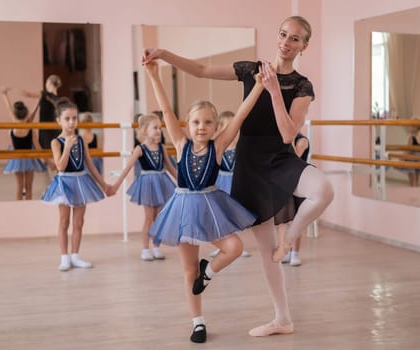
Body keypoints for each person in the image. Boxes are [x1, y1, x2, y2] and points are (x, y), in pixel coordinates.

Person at [143, 15, 334, 337]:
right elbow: (201, 70)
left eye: (295, 38)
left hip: (280, 157)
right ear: (278, 36)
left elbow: (288, 134)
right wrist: (164, 54)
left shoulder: (302, 86)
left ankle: (290, 239)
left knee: (324, 190)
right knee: (265, 249)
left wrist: (273, 90)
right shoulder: (251, 69)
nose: (287, 42)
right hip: (250, 164)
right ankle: (282, 318)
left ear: (304, 46)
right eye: (284, 34)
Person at [144, 59, 264, 343]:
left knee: (234, 246)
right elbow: (166, 109)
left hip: (211, 208)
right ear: (188, 124)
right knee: (188, 270)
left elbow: (240, 117)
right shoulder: (181, 143)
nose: (201, 127)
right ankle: (198, 322)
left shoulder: (219, 146)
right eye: (196, 122)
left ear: (214, 127)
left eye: (208, 122)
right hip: (183, 210)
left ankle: (207, 272)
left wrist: (258, 86)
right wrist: (153, 75)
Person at [41, 98, 114, 271]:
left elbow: (89, 164)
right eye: (67, 118)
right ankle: (64, 257)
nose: (72, 122)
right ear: (58, 120)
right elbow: (59, 166)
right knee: (64, 221)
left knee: (79, 221)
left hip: (81, 182)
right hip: (65, 182)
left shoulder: (81, 140)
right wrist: (66, 147)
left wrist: (104, 185)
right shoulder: (56, 142)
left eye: (74, 118)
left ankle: (75, 255)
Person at [111, 113, 177, 261]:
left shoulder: (162, 148)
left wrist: (184, 182)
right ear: (145, 130)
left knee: (159, 217)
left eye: (160, 128)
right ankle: (145, 249)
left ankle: (157, 246)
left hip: (162, 182)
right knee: (149, 217)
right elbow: (127, 168)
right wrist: (116, 185)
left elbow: (171, 168)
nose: (159, 130)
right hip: (148, 184)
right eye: (155, 128)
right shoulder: (140, 149)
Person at [210, 111, 251, 258]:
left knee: (234, 213)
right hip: (220, 183)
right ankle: (223, 243)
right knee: (222, 214)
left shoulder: (241, 147)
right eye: (228, 127)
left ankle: (238, 245)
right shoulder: (218, 148)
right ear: (220, 129)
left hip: (236, 183)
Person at [1, 87, 47, 200]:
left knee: (19, 187)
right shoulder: (30, 127)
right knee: (29, 187)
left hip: (17, 159)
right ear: (26, 113)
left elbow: (9, 109)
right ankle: (28, 207)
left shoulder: (13, 127)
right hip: (30, 159)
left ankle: (19, 208)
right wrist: (47, 159)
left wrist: (4, 94)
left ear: (15, 115)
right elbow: (38, 147)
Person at [276, 132, 310, 266]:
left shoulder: (302, 141)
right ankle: (287, 251)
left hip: (298, 184)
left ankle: (295, 253)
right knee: (283, 221)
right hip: (282, 184)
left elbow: (292, 159)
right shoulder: (279, 139)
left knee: (296, 220)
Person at [22, 74, 62, 170]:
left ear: (49, 83)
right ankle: (55, 177)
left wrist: (15, 90)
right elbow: (36, 108)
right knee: (49, 155)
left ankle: (56, 177)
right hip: (46, 128)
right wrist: (30, 119)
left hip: (49, 128)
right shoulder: (48, 96)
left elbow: (28, 94)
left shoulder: (48, 96)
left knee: (51, 155)